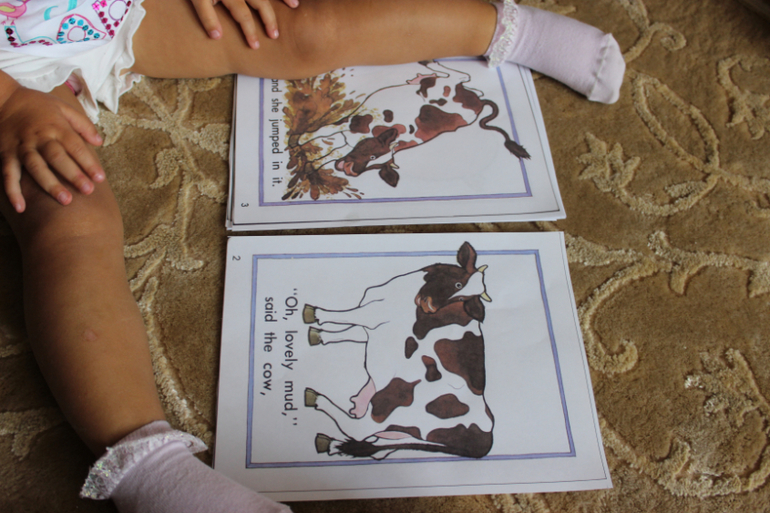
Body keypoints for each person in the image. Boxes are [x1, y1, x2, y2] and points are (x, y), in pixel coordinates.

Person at [0, 1, 624, 512]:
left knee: (304, 31)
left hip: (108, 10)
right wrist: (9, 103)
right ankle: (149, 470)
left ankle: (510, 30)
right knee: (69, 217)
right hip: (9, 71)